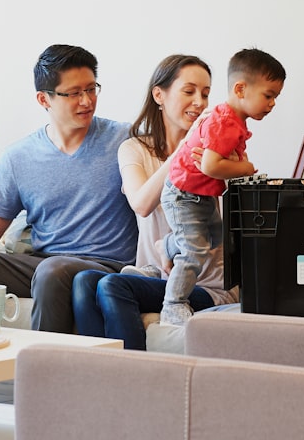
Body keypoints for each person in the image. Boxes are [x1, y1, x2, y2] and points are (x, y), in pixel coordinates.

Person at [0, 44, 138, 343]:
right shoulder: (19, 158)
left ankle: (42, 380)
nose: (86, 101)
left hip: (106, 266)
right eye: (73, 93)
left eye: (91, 89)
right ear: (43, 99)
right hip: (43, 265)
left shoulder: (125, 139)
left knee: (52, 270)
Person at [72, 54, 239, 349]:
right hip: (151, 275)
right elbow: (141, 203)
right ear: (159, 95)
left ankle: (135, 380)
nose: (199, 102)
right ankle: (99, 380)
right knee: (84, 282)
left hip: (204, 284)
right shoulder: (134, 149)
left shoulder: (215, 154)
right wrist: (183, 151)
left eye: (205, 93)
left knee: (113, 285)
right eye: (189, 92)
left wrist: (205, 150)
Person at [159, 48, 285, 326]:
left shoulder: (233, 120)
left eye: (276, 96)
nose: (273, 103)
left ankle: (167, 246)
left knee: (217, 239)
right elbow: (211, 166)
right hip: (183, 194)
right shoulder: (223, 121)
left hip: (201, 194)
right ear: (241, 88)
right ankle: (173, 305)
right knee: (195, 252)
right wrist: (246, 168)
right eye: (269, 95)